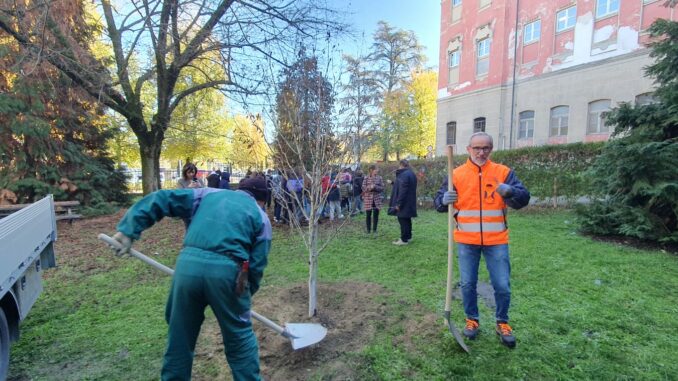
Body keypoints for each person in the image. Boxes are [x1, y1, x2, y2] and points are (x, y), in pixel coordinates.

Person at [110, 177, 272, 380]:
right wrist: (245, 296)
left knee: (180, 336)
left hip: (187, 268)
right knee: (239, 338)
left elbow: (162, 198)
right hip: (228, 274)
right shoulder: (261, 216)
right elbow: (256, 266)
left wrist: (128, 230)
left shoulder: (206, 194)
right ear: (262, 200)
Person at [434, 132, 530, 349]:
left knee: (502, 285)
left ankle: (502, 323)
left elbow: (523, 198)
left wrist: (511, 191)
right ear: (468, 149)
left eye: (485, 148)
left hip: (496, 240)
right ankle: (472, 320)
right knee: (468, 284)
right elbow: (438, 202)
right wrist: (442, 199)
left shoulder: (503, 173)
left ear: (491, 149)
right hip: (467, 240)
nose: (481, 152)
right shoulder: (455, 174)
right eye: (476, 148)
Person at [389, 159, 417, 245]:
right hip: (409, 201)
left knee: (402, 220)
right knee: (407, 219)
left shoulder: (403, 175)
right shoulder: (411, 173)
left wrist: (398, 203)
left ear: (401, 165)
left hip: (404, 202)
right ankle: (408, 237)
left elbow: (403, 190)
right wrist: (393, 183)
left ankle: (404, 240)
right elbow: (403, 186)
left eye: (399, 165)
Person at [361, 165, 384, 235]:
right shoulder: (366, 178)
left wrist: (375, 187)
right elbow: (363, 188)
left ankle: (374, 230)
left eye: (377, 169)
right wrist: (369, 188)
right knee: (368, 215)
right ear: (371, 170)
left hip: (376, 199)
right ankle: (368, 230)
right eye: (376, 169)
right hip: (368, 199)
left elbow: (382, 188)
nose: (377, 170)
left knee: (376, 215)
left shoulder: (379, 178)